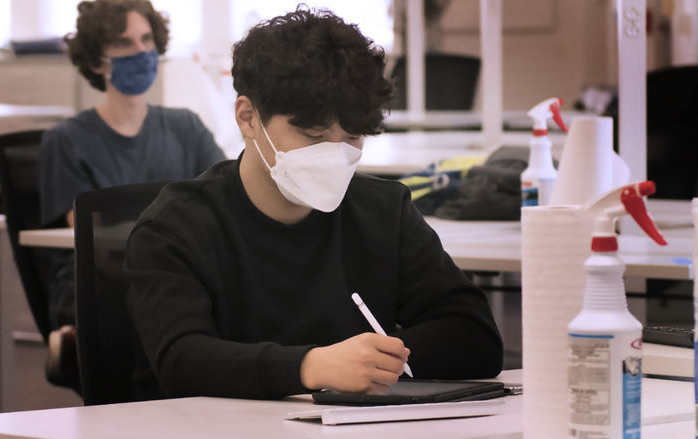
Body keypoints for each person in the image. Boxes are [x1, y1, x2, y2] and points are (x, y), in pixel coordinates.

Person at [125, 5, 503, 400]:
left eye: (353, 137)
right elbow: (182, 361)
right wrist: (314, 366)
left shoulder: (383, 211)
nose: (335, 155)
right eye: (313, 135)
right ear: (248, 117)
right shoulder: (175, 228)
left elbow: (475, 336)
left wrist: (375, 362)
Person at [38, 0, 226, 388]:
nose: (141, 52)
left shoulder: (185, 127)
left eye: (146, 39)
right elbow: (97, 239)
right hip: (99, 282)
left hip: (178, 271)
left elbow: (225, 201)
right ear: (95, 61)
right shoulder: (67, 141)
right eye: (124, 43)